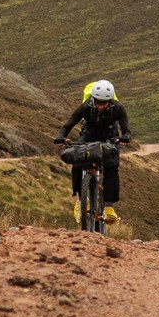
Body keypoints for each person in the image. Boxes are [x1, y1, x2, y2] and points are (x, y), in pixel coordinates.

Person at [55, 79, 132, 225]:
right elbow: (68, 124)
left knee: (111, 167)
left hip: (110, 136)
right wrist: (61, 136)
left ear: (110, 101)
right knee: (77, 163)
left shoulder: (118, 108)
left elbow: (126, 129)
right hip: (89, 134)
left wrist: (125, 138)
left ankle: (109, 207)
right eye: (98, 101)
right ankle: (80, 199)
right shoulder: (86, 107)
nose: (100, 105)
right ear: (93, 98)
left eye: (104, 102)